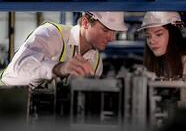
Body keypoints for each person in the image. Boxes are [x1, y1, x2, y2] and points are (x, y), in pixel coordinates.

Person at [0, 12, 128, 87]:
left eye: (114, 32)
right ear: (85, 23)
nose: (112, 38)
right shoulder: (52, 34)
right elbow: (20, 68)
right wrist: (59, 68)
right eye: (105, 30)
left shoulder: (96, 62)